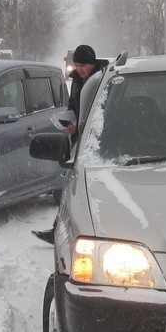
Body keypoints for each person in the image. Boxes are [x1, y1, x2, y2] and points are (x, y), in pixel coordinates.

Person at [33, 44, 108, 243]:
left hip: (97, 140)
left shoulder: (102, 80)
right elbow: (75, 106)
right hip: (78, 139)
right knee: (70, 184)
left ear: (92, 63)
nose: (80, 69)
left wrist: (81, 126)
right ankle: (58, 227)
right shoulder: (76, 80)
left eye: (83, 65)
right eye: (77, 65)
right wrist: (70, 121)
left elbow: (101, 112)